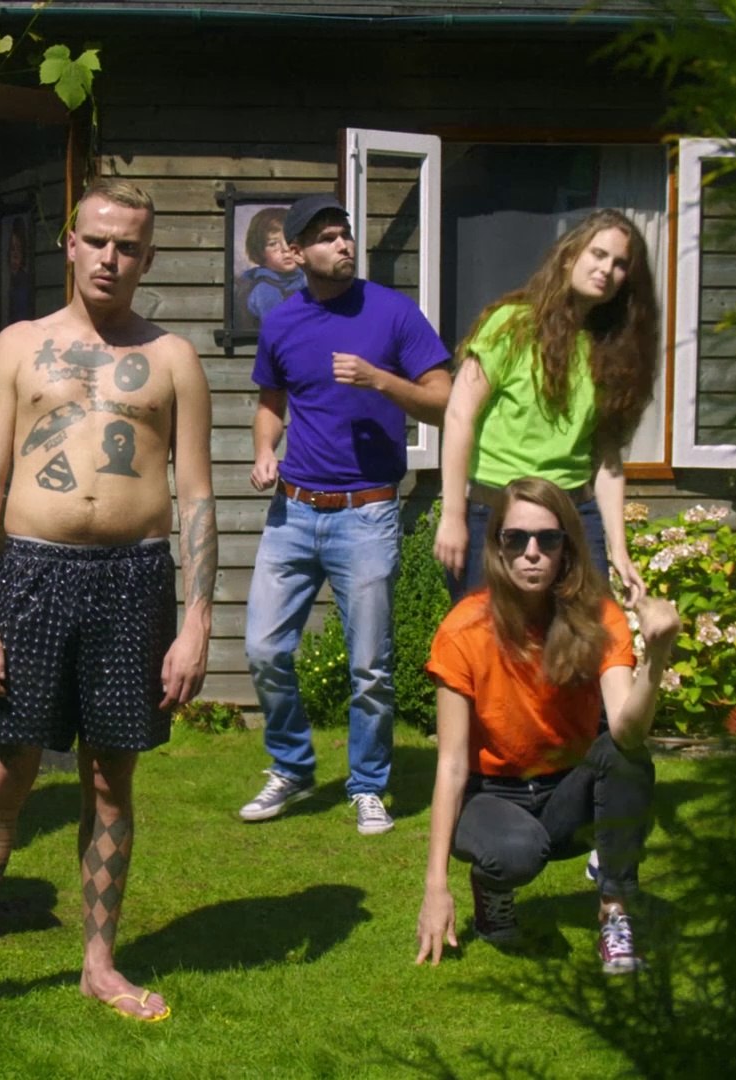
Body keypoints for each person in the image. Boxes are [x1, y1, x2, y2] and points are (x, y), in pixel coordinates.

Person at [0, 178, 216, 1022]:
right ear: (69, 244)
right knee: (3, 776)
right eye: (96, 240)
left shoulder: (173, 359)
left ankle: (100, 966)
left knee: (111, 779)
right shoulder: (18, 347)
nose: (110, 258)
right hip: (30, 575)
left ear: (148, 257)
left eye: (128, 246)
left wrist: (198, 622)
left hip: (133, 580)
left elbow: (197, 496)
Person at [238, 194, 452, 836]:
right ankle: (293, 767)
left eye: (345, 233)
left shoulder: (392, 313)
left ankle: (368, 785)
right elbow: (271, 403)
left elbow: (443, 399)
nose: (343, 244)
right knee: (263, 649)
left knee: (369, 668)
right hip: (294, 511)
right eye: (327, 237)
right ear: (296, 253)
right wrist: (264, 451)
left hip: (367, 513)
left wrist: (381, 380)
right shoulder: (282, 323)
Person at [414, 477, 679, 974]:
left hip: (565, 790)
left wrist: (657, 656)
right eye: (516, 539)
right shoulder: (463, 629)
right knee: (517, 852)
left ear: (567, 548)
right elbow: (449, 765)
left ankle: (614, 913)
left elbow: (627, 733)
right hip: (491, 794)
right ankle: (491, 891)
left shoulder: (598, 617)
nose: (531, 553)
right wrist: (436, 887)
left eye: (548, 539)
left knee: (625, 758)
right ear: (498, 547)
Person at [433, 209, 662, 606]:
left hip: (572, 516)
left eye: (620, 264)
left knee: (585, 636)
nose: (606, 269)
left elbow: (606, 458)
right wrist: (453, 515)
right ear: (570, 256)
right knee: (483, 636)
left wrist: (619, 550)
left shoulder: (613, 351)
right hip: (495, 513)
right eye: (598, 254)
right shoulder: (511, 325)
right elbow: (459, 415)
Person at [237, 206, 306, 325]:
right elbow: (278, 330)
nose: (286, 249)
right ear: (260, 251)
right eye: (273, 244)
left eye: (290, 239)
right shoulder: (266, 290)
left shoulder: (304, 278)